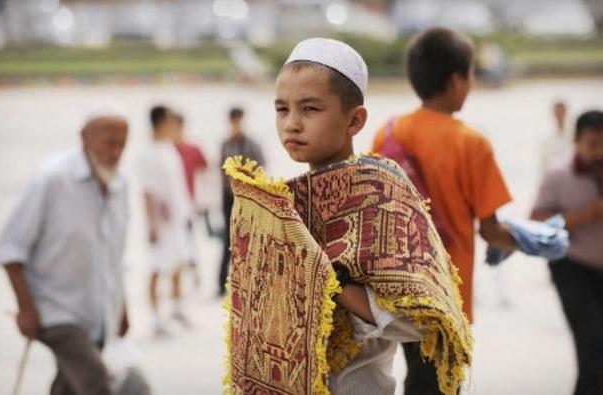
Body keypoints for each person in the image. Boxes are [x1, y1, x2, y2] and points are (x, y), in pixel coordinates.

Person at [223, 38, 471, 395]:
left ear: (355, 119)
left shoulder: (381, 192)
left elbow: (424, 319)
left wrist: (332, 283)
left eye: (310, 109)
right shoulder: (280, 206)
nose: (291, 124)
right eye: (282, 109)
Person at [371, 27, 518, 395]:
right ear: (455, 79)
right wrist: (532, 240)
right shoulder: (472, 143)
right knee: (439, 384)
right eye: (469, 75)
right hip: (448, 292)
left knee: (417, 376)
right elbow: (491, 230)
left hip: (400, 286)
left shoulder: (389, 132)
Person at [0, 110, 149, 395]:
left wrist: (121, 308)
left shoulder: (120, 184)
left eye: (122, 144)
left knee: (70, 387)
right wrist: (26, 308)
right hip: (56, 310)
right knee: (98, 384)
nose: (116, 151)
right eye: (109, 143)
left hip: (99, 312)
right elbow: (10, 248)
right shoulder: (52, 179)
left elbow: (113, 257)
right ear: (85, 138)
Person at [531, 110, 603, 395]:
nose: (600, 151)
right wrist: (585, 215)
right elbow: (537, 220)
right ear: (576, 141)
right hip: (571, 264)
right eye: (592, 144)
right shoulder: (557, 174)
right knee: (590, 336)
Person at [137, 105, 193, 336]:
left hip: (178, 218)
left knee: (179, 262)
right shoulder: (147, 153)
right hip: (160, 222)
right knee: (157, 267)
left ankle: (176, 308)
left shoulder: (168, 148)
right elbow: (147, 191)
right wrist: (151, 225)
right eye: (171, 121)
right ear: (161, 122)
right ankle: (156, 319)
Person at [217, 106, 264, 296]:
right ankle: (222, 283)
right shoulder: (226, 144)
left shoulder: (251, 144)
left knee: (250, 238)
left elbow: (260, 166)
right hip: (229, 196)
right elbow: (220, 171)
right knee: (228, 239)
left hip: (248, 195)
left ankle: (248, 282)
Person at [172, 113, 208, 285]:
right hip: (168, 207)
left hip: (188, 203)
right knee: (172, 244)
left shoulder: (192, 149)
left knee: (188, 239)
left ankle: (194, 275)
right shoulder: (164, 152)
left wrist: (205, 202)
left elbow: (206, 171)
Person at [540, 100, 571, 172]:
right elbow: (543, 161)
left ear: (565, 112)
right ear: (554, 113)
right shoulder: (546, 137)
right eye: (557, 112)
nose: (559, 115)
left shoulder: (573, 135)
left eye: (561, 112)